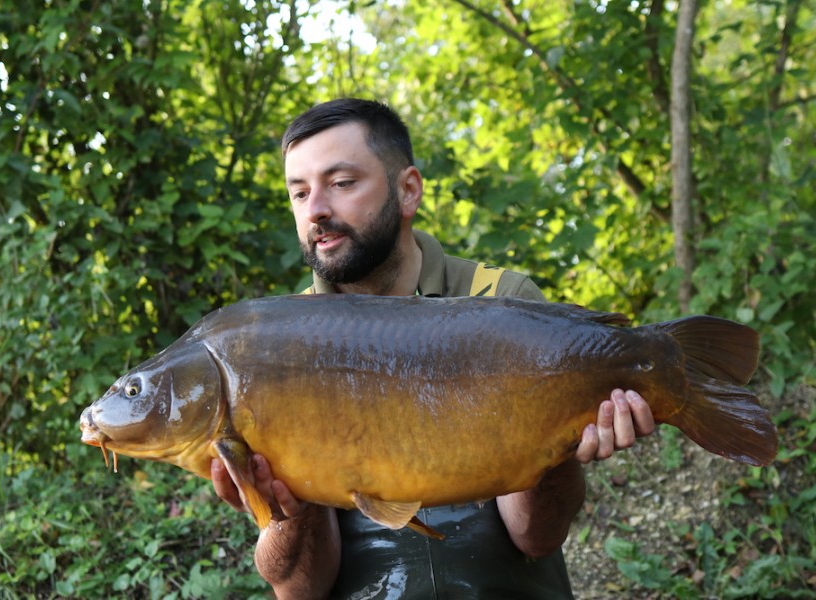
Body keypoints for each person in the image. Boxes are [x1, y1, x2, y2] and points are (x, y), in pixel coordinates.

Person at [211, 98, 655, 599]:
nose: (316, 209)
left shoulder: (502, 302)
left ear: (408, 191)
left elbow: (537, 536)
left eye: (341, 183)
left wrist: (561, 446)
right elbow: (300, 590)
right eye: (299, 193)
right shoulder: (273, 346)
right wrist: (285, 509)